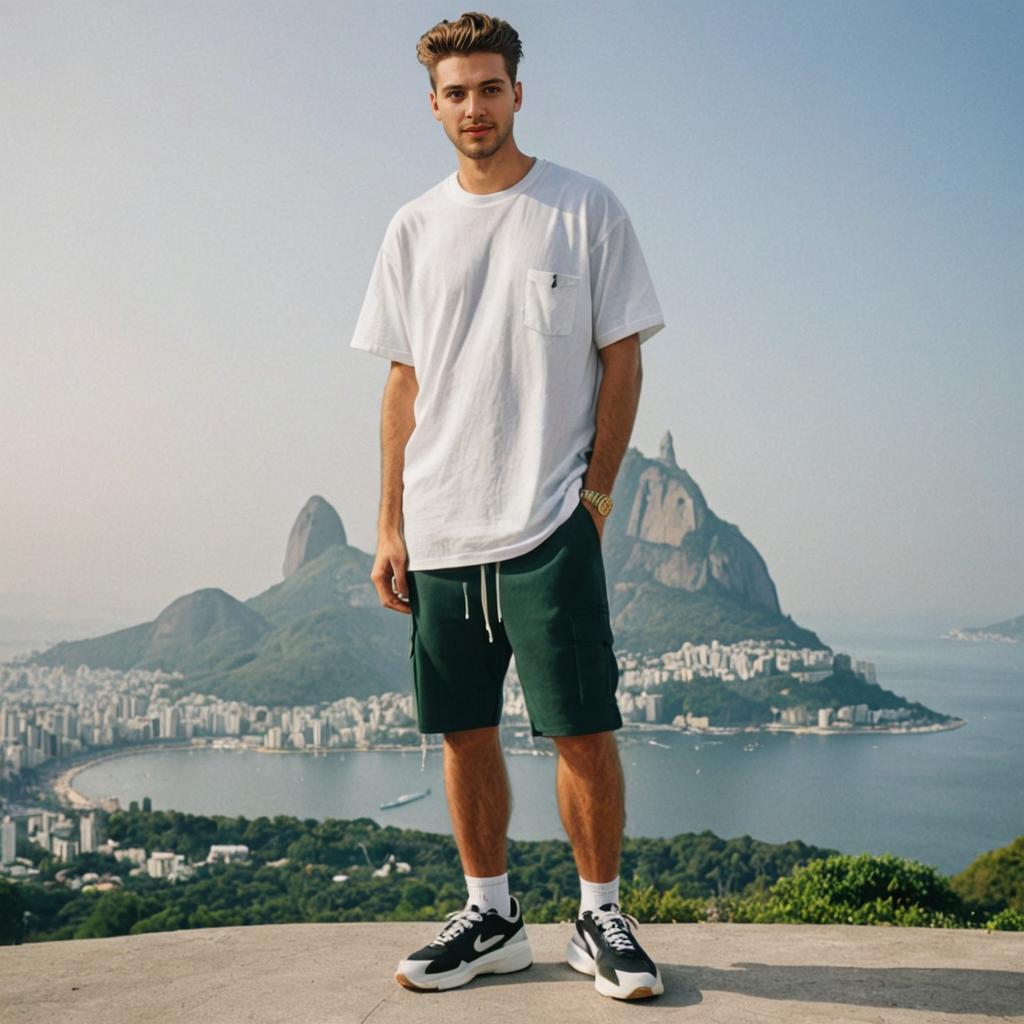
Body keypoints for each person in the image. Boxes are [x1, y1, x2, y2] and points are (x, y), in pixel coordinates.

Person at [350, 10, 666, 1001]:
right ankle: (491, 915)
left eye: (490, 87)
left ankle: (598, 914)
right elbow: (403, 384)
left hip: (546, 525)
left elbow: (623, 356)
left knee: (581, 727)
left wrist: (598, 496)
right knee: (464, 729)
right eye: (455, 92)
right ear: (433, 104)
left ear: (517, 92)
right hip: (441, 526)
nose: (474, 107)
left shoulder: (584, 208)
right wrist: (392, 521)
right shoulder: (411, 226)